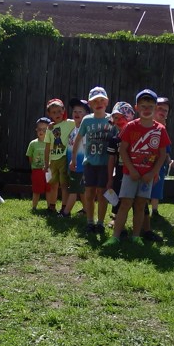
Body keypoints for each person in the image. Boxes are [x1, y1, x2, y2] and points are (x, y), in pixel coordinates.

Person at [106, 89, 170, 245]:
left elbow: (162, 155)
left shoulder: (160, 130)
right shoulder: (130, 127)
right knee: (125, 204)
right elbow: (123, 150)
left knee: (141, 205)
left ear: (155, 108)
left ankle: (136, 237)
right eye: (143, 106)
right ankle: (115, 237)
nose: (146, 109)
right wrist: (132, 170)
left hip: (147, 176)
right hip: (130, 174)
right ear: (136, 108)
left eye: (150, 106)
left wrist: (152, 173)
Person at [70, 87, 115, 235]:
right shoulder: (87, 120)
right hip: (90, 163)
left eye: (101, 100)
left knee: (102, 194)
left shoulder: (112, 120)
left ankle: (100, 223)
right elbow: (78, 139)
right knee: (89, 193)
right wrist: (73, 159)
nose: (98, 103)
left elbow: (118, 139)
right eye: (95, 101)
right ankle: (90, 222)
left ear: (107, 102)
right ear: (90, 104)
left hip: (105, 164)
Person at [105, 101, 135, 232]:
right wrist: (110, 178)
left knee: (136, 199)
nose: (118, 121)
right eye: (115, 118)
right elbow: (111, 159)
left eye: (122, 117)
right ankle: (116, 217)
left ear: (129, 117)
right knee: (117, 196)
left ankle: (140, 221)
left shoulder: (136, 138)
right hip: (120, 172)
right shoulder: (114, 139)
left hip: (135, 172)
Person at [42, 98, 73, 215]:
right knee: (53, 184)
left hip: (64, 158)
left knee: (64, 185)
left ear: (64, 110)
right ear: (49, 114)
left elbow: (81, 121)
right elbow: (47, 147)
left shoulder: (69, 123)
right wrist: (46, 163)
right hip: (53, 161)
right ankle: (52, 206)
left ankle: (64, 208)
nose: (57, 114)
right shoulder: (49, 129)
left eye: (59, 111)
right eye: (54, 112)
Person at [62, 97, 89, 218]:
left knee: (73, 190)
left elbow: (87, 150)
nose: (76, 113)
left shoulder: (85, 131)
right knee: (80, 190)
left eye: (80, 112)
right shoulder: (73, 128)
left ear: (87, 115)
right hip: (73, 165)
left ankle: (66, 213)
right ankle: (86, 210)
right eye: (74, 111)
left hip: (80, 166)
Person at [149, 96, 174, 222]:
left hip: (159, 165)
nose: (163, 112)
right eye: (160, 108)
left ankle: (154, 210)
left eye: (166, 110)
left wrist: (169, 160)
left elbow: (166, 149)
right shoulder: (146, 125)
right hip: (146, 163)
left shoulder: (163, 129)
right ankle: (142, 208)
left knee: (157, 187)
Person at [26, 117, 50, 210]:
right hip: (37, 170)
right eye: (39, 129)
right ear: (36, 129)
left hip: (49, 170)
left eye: (44, 129)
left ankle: (50, 208)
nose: (41, 131)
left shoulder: (51, 143)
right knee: (36, 190)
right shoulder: (33, 143)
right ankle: (34, 207)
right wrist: (33, 166)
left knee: (49, 189)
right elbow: (30, 156)